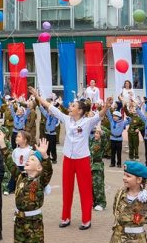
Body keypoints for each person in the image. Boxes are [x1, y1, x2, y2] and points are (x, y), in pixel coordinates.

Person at [30, 87, 100, 230]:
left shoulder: (87, 122)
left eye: (73, 106)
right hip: (68, 159)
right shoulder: (66, 119)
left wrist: (106, 106)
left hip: (82, 159)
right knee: (67, 189)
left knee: (85, 190)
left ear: (80, 111)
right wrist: (37, 96)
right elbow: (49, 106)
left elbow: (100, 116)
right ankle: (65, 217)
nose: (70, 106)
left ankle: (86, 220)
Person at [6, 137, 53, 243]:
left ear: (39, 167)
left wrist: (44, 156)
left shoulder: (40, 180)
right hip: (19, 222)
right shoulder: (21, 178)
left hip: (33, 223)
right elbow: (11, 165)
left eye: (32, 159)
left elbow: (48, 172)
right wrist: (4, 146)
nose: (27, 160)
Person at [90, 128, 106, 211]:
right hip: (90, 165)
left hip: (97, 166)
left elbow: (105, 137)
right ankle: (94, 202)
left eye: (98, 133)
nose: (96, 134)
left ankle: (101, 203)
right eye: (95, 133)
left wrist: (101, 132)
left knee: (98, 186)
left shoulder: (102, 142)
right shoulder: (92, 141)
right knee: (92, 185)